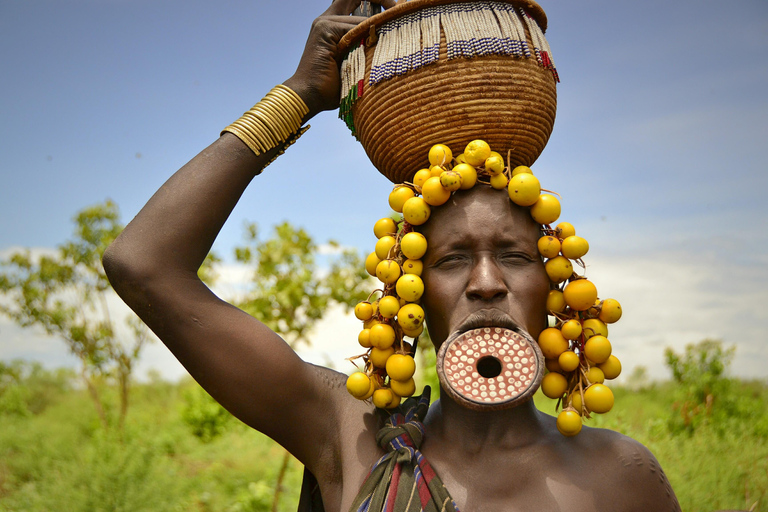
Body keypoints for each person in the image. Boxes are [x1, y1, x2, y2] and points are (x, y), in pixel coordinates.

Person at [102, 0, 681, 509]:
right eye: (452, 259)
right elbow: (142, 264)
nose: (485, 283)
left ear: (555, 286)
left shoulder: (621, 478)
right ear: (411, 290)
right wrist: (299, 95)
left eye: (514, 257)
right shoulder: (348, 434)